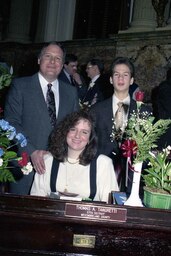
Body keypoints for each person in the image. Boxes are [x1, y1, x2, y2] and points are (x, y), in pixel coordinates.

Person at [4, 42, 79, 195]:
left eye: (58, 58)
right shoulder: (20, 86)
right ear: (39, 60)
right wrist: (31, 152)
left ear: (62, 64)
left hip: (60, 172)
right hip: (26, 169)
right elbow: (11, 124)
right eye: (48, 56)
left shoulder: (71, 92)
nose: (53, 62)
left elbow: (75, 128)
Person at [90, 56, 151, 192]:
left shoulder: (144, 112)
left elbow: (147, 149)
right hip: (101, 177)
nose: (121, 79)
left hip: (133, 180)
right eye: (116, 74)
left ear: (132, 80)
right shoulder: (96, 110)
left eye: (125, 75)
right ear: (111, 79)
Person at [30, 111, 119, 203]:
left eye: (84, 132)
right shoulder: (47, 161)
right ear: (65, 132)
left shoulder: (103, 163)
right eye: (73, 129)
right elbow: (36, 199)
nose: (77, 135)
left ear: (90, 139)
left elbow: (110, 205)